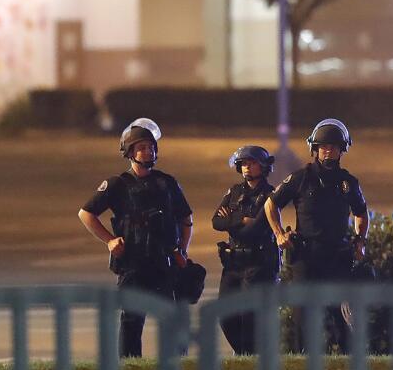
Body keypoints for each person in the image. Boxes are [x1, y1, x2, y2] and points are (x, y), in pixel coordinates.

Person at [78, 118, 193, 357]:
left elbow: (185, 219)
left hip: (163, 262)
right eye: (141, 147)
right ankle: (130, 369)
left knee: (173, 319)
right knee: (131, 321)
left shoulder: (167, 183)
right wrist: (109, 240)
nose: (147, 151)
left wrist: (182, 250)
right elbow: (86, 214)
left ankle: (177, 368)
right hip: (133, 263)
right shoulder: (117, 184)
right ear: (129, 152)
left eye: (150, 146)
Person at [264, 119, 368, 353]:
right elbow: (271, 204)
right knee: (304, 319)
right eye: (323, 146)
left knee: (341, 320)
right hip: (306, 258)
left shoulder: (348, 182)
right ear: (314, 148)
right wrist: (279, 234)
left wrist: (360, 241)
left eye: (333, 146)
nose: (327, 150)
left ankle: (347, 369)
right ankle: (303, 368)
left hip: (337, 258)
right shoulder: (301, 177)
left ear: (342, 149)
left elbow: (361, 213)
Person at [212, 145, 280, 355]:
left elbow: (257, 228)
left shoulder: (271, 195)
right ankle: (244, 355)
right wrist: (240, 219)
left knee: (250, 317)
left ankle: (251, 360)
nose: (246, 168)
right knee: (226, 315)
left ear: (263, 166)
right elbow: (216, 221)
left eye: (251, 163)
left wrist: (232, 221)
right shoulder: (234, 192)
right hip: (233, 264)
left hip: (258, 264)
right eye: (243, 164)